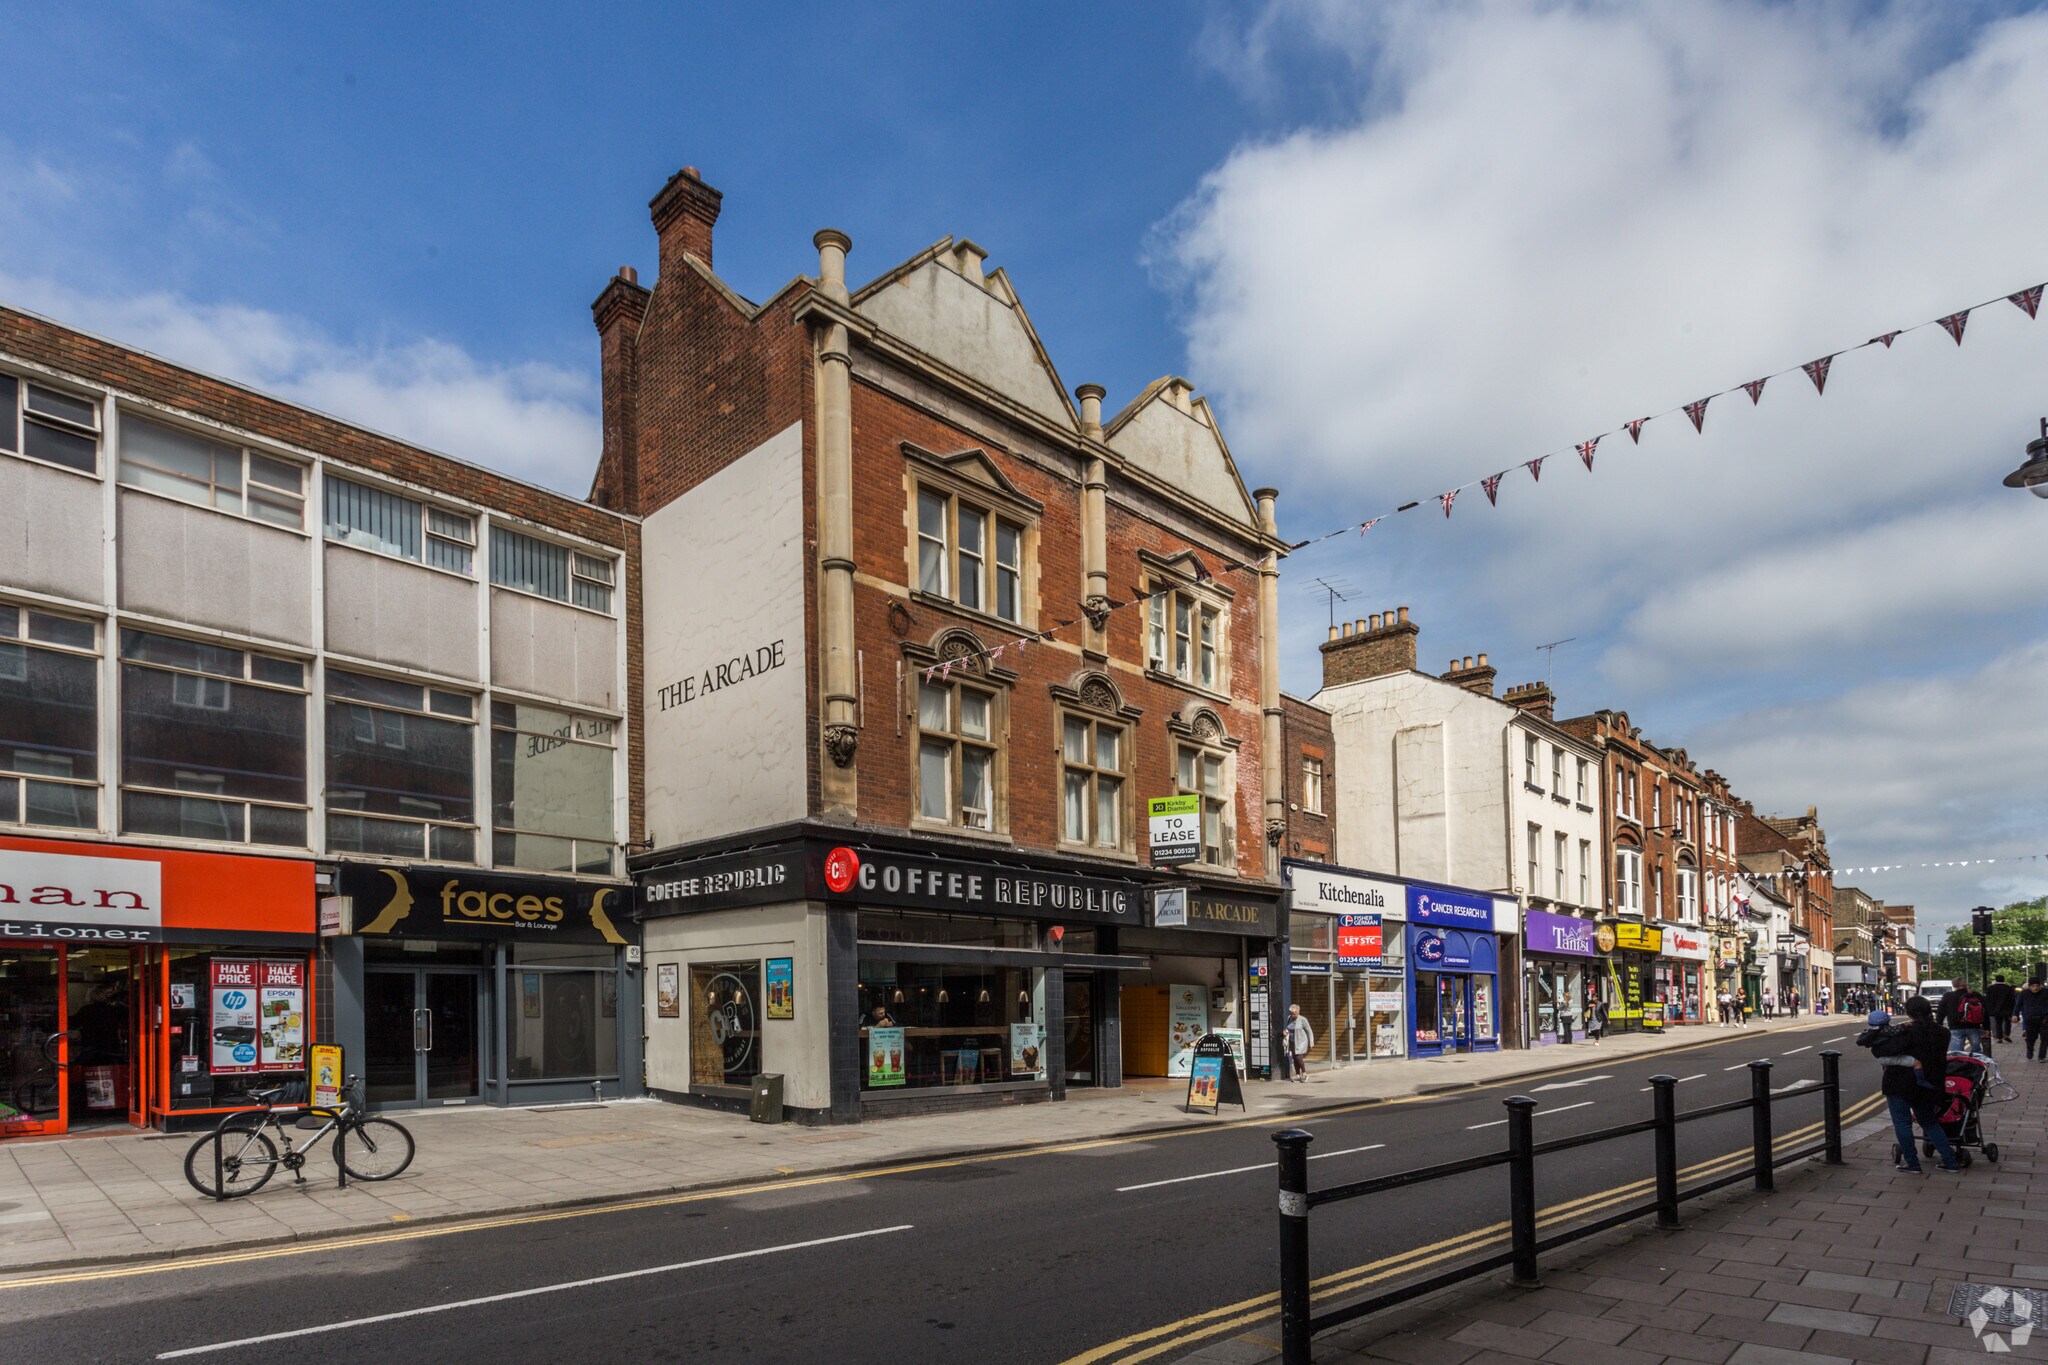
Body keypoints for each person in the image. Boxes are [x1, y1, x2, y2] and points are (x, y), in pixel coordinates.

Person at [1860, 997, 1960, 1173]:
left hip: (1899, 1082)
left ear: (1909, 1013)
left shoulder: (1906, 1032)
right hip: (1929, 1083)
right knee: (1929, 1123)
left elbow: (1881, 1051)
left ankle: (1912, 1163)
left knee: (1902, 1123)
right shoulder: (1943, 1032)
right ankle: (1950, 1161)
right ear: (1930, 1011)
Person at [1938, 981, 1989, 1055]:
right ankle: (1977, 1064)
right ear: (1966, 985)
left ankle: (1959, 1065)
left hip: (1955, 1026)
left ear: (1954, 985)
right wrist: (1986, 1027)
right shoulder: (1975, 995)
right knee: (1976, 1051)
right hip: (1973, 1026)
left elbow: (1941, 1011)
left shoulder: (1948, 996)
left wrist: (1939, 1023)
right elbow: (1984, 1011)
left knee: (1957, 1052)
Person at [2019, 979, 2048, 1061]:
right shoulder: (2024, 993)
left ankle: (2041, 1056)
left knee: (2045, 1038)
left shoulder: (2046, 992)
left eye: (2037, 986)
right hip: (2031, 1019)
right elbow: (2018, 1004)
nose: (2035, 988)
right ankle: (2030, 1049)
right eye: (2033, 986)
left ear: (2040, 986)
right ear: (2029, 986)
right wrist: (2014, 1014)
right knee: (2031, 1038)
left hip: (2044, 1018)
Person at [1284, 1003, 1313, 1082]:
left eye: (1294, 1014)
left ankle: (1304, 1073)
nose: (1293, 1015)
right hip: (1292, 1041)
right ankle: (1297, 1074)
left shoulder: (1303, 1019)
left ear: (1298, 1012)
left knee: (1298, 1056)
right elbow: (1288, 1028)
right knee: (1294, 1057)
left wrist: (1311, 1042)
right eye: (1291, 1014)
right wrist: (1285, 1032)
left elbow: (1309, 1030)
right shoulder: (1289, 1018)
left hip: (1301, 1041)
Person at [1987, 975, 2017, 1044]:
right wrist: (2013, 1010)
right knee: (2007, 1022)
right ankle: (2006, 1035)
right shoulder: (2008, 988)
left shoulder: (1991, 988)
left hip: (1996, 1009)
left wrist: (1990, 1009)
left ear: (1996, 980)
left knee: (1998, 1023)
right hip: (2007, 1009)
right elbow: (2012, 1000)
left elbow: (1988, 1000)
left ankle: (1999, 1037)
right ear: (2003, 980)